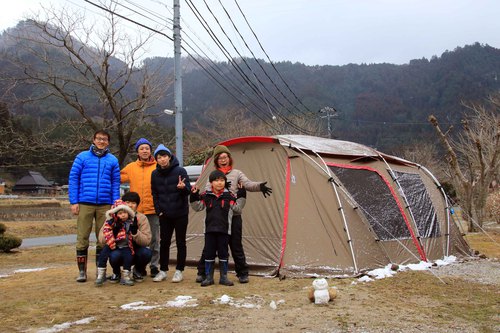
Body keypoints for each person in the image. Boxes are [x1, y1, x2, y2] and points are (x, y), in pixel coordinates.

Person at [196, 145, 272, 284]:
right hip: (218, 215)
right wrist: (221, 186)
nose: (223, 160)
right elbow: (208, 190)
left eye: (225, 157)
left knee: (236, 244)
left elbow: (247, 184)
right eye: (220, 158)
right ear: (216, 160)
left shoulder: (237, 173)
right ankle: (203, 273)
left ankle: (242, 273)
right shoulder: (213, 175)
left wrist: (259, 186)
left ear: (229, 158)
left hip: (234, 214)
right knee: (210, 245)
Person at [68, 130, 120, 283]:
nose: (101, 141)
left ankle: (100, 270)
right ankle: (82, 272)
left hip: (105, 204)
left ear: (108, 142)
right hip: (85, 202)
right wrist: (74, 201)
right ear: (93, 140)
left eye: (104, 139)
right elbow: (73, 179)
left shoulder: (112, 160)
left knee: (102, 238)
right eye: (99, 139)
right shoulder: (82, 157)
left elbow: (116, 183)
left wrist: (115, 203)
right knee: (82, 237)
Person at [190, 170, 246, 286]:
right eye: (216, 180)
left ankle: (223, 277)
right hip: (209, 231)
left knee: (223, 254)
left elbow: (238, 209)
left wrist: (241, 194)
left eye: (222, 180)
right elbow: (197, 207)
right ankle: (209, 277)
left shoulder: (229, 196)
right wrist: (193, 195)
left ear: (225, 182)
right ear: (211, 183)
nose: (219, 183)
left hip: (225, 231)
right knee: (209, 254)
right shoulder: (206, 195)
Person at [150, 144, 191, 283]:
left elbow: (188, 191)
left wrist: (182, 187)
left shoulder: (180, 171)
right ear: (156, 159)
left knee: (181, 242)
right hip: (164, 214)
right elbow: (154, 194)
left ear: (169, 157)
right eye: (159, 157)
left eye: (164, 156)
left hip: (180, 213)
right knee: (164, 242)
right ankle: (163, 270)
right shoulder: (155, 174)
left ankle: (179, 270)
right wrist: (158, 211)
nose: (162, 159)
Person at [120, 138, 160, 278]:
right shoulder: (131, 167)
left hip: (153, 209)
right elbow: (117, 177)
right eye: (141, 148)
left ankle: (155, 266)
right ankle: (139, 267)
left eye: (147, 148)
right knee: (134, 240)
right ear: (137, 151)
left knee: (154, 240)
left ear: (151, 150)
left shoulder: (157, 166)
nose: (144, 150)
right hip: (135, 211)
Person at [98, 192, 153, 284]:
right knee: (114, 255)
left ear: (137, 205)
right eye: (128, 202)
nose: (130, 205)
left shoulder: (142, 218)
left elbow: (147, 241)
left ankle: (137, 270)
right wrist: (113, 232)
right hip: (118, 248)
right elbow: (101, 240)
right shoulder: (112, 218)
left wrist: (135, 233)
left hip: (135, 248)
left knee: (146, 253)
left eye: (134, 203)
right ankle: (116, 273)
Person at [95, 199, 136, 287]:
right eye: (120, 213)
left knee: (128, 257)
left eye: (125, 212)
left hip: (126, 245)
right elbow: (106, 231)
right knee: (103, 255)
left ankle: (126, 276)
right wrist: (112, 239)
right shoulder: (111, 222)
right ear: (115, 215)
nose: (123, 215)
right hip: (112, 244)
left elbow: (132, 234)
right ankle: (100, 275)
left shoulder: (131, 222)